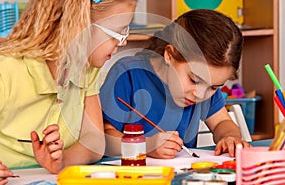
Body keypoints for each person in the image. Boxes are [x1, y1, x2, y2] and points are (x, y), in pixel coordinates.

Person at [0, 0, 138, 183]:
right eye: (117, 32)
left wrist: (62, 161)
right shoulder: (0, 73)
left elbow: (93, 141)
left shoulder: (86, 67)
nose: (123, 42)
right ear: (79, 25)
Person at [100, 9, 250, 160]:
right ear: (170, 55)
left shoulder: (205, 83)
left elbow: (221, 122)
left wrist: (230, 137)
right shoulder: (128, 74)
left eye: (213, 87)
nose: (200, 94)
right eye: (194, 80)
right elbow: (104, 137)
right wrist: (145, 146)